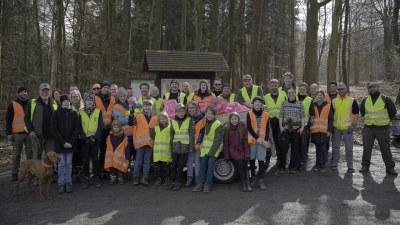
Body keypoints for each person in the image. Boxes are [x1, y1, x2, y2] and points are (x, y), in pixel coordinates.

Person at [359, 83, 397, 175]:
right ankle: (365, 166)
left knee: (385, 149)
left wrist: (386, 121)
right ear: (369, 90)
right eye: (371, 88)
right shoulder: (365, 100)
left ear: (378, 88)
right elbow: (363, 112)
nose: (372, 89)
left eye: (374, 87)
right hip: (368, 128)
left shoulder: (385, 99)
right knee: (367, 149)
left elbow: (393, 111)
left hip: (382, 129)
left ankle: (390, 167)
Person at [24, 83, 58, 186]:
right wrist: (31, 130)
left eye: (47, 90)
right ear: (39, 91)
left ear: (49, 92)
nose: (45, 92)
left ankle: (49, 177)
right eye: (43, 90)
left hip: (51, 136)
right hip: (37, 135)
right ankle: (36, 178)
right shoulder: (33, 102)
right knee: (37, 158)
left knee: (50, 159)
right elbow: (26, 118)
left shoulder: (54, 103)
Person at [51, 94, 80, 194]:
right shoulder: (56, 113)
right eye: (64, 101)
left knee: (69, 164)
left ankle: (68, 183)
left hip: (71, 144)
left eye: (67, 101)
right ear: (61, 102)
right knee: (61, 164)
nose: (66, 103)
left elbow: (77, 129)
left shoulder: (74, 113)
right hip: (60, 145)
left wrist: (71, 142)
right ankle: (61, 183)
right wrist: (63, 142)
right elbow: (54, 130)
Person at [192, 106, 223, 194]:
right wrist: (198, 143)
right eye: (208, 113)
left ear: (215, 115)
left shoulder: (218, 124)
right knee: (202, 166)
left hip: (213, 150)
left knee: (210, 167)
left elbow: (218, 140)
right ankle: (201, 183)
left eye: (212, 114)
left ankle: (208, 184)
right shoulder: (204, 122)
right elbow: (201, 134)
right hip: (205, 149)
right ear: (205, 114)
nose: (209, 115)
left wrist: (212, 152)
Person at [331, 83, 359, 173]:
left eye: (342, 89)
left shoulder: (352, 100)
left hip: (348, 129)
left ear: (346, 90)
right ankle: (334, 163)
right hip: (336, 129)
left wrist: (353, 125)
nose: (341, 91)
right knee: (335, 147)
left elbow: (356, 114)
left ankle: (350, 166)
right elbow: (331, 114)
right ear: (337, 91)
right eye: (339, 90)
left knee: (349, 148)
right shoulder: (334, 101)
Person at [6, 86, 32, 182]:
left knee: (30, 154)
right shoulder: (13, 105)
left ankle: (30, 172)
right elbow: (8, 120)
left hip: (29, 133)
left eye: (25, 92)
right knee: (16, 154)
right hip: (17, 133)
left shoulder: (31, 103)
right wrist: (9, 133)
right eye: (22, 92)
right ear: (18, 94)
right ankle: (14, 173)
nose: (23, 93)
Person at [166, 103, 194, 191]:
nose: (181, 113)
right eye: (179, 111)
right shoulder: (173, 121)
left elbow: (191, 133)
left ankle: (178, 181)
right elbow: (171, 134)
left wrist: (190, 146)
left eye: (182, 111)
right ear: (176, 112)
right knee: (174, 165)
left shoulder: (189, 120)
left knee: (181, 165)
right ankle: (171, 180)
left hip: (185, 147)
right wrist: (171, 146)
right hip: (176, 147)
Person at [129, 100, 157, 185]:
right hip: (140, 142)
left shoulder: (155, 118)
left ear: (151, 107)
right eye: (146, 106)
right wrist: (131, 114)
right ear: (143, 107)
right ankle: (135, 177)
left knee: (147, 161)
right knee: (138, 160)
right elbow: (130, 123)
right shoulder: (138, 116)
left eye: (149, 106)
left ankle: (145, 177)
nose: (148, 107)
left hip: (149, 142)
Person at [79, 93, 104, 189]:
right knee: (85, 160)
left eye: (91, 100)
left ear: (93, 101)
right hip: (85, 141)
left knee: (96, 160)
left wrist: (95, 137)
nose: (89, 102)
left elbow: (101, 125)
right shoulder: (81, 112)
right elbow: (79, 127)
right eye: (87, 100)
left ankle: (97, 177)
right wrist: (84, 137)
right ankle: (86, 178)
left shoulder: (98, 111)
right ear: (84, 101)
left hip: (95, 141)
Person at [278, 87, 305, 174]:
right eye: (289, 93)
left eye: (292, 92)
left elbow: (303, 116)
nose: (291, 94)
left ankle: (292, 167)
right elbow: (281, 116)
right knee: (284, 149)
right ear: (287, 94)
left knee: (295, 149)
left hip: (296, 129)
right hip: (286, 128)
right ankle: (282, 166)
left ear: (295, 93)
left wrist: (302, 128)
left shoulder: (300, 104)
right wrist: (281, 127)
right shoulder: (284, 103)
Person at [224, 112, 251, 192]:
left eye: (235, 119)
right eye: (232, 119)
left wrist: (247, 153)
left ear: (238, 119)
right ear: (230, 120)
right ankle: (243, 183)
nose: (234, 121)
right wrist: (226, 156)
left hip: (242, 149)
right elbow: (226, 143)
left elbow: (246, 142)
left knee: (245, 165)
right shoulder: (227, 129)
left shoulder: (242, 128)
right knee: (240, 164)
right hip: (233, 150)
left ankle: (248, 184)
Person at [246, 96, 270, 190]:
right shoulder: (249, 113)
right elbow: (249, 127)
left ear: (261, 104)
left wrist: (266, 140)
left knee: (261, 160)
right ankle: (253, 177)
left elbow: (268, 129)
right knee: (252, 159)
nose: (257, 104)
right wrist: (257, 138)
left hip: (262, 141)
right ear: (253, 104)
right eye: (255, 102)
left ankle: (261, 179)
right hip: (253, 140)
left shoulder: (266, 114)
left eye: (259, 102)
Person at [95, 81, 115, 178]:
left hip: (109, 129)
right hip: (99, 129)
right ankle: (98, 172)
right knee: (99, 151)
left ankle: (106, 170)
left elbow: (114, 114)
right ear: (101, 88)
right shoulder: (95, 98)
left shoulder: (112, 99)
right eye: (104, 87)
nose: (106, 89)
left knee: (107, 151)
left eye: (107, 87)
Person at [264, 79, 286, 169]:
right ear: (270, 86)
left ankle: (279, 160)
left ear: (278, 85)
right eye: (272, 85)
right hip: (269, 122)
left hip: (280, 122)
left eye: (275, 85)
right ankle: (267, 160)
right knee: (269, 141)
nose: (274, 86)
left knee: (279, 142)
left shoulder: (283, 96)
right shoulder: (265, 97)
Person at [310, 90, 333, 172]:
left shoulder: (328, 106)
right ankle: (317, 163)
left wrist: (329, 130)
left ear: (324, 96)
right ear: (316, 96)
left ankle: (323, 164)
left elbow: (331, 119)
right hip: (315, 130)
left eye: (321, 95)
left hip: (324, 131)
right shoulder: (312, 105)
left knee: (323, 148)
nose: (319, 96)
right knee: (317, 148)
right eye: (318, 95)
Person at [112, 87, 133, 178]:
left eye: (124, 95)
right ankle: (122, 172)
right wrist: (131, 119)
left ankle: (128, 171)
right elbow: (119, 120)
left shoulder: (130, 104)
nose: (122, 97)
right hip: (124, 134)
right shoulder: (116, 107)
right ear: (118, 97)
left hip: (133, 134)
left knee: (131, 154)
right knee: (124, 154)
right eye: (120, 96)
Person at [104, 119, 131, 185]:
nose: (116, 129)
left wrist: (127, 157)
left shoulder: (124, 137)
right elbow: (107, 147)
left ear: (120, 127)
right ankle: (113, 178)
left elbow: (127, 147)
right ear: (112, 128)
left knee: (120, 167)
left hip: (120, 157)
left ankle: (120, 177)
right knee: (112, 168)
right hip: (112, 156)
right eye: (114, 127)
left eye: (118, 127)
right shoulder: (109, 136)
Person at [185, 101, 205, 187]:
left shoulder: (201, 118)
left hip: (197, 144)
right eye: (190, 108)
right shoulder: (186, 118)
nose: (191, 109)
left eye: (193, 107)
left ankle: (197, 177)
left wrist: (199, 143)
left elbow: (202, 131)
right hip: (188, 144)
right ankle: (189, 177)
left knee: (197, 161)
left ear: (196, 108)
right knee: (189, 161)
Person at [150, 111, 172, 186]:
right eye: (161, 119)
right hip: (157, 152)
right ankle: (158, 179)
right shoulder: (156, 128)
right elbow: (152, 136)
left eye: (164, 119)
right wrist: (151, 129)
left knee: (166, 168)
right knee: (158, 167)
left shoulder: (170, 128)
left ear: (167, 119)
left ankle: (167, 179)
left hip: (166, 152)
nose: (162, 120)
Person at [297, 82, 314, 170]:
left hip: (306, 126)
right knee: (296, 144)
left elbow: (312, 114)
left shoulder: (310, 99)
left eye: (304, 89)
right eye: (301, 89)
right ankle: (296, 161)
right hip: (295, 126)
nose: (302, 91)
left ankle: (302, 162)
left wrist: (310, 125)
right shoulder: (294, 98)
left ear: (306, 90)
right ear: (298, 90)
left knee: (304, 144)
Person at [70, 89, 84, 182]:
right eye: (73, 96)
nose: (75, 98)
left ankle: (79, 174)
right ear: (71, 98)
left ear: (80, 97)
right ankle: (71, 175)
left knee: (81, 156)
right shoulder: (69, 108)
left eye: (77, 96)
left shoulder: (84, 107)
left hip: (82, 136)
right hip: (72, 137)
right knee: (72, 156)